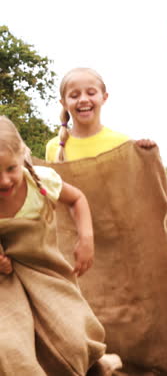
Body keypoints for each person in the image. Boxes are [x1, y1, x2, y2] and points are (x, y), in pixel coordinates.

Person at [0, 115, 121, 375]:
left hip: (43, 270)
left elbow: (77, 198)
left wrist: (86, 238)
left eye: (11, 168)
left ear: (22, 156)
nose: (4, 181)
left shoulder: (40, 182)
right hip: (2, 284)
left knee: (72, 336)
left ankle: (96, 366)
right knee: (11, 350)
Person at [45, 67, 154, 163]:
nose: (83, 99)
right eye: (74, 95)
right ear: (64, 103)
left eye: (91, 93)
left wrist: (147, 154)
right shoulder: (53, 148)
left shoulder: (123, 144)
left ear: (104, 97)